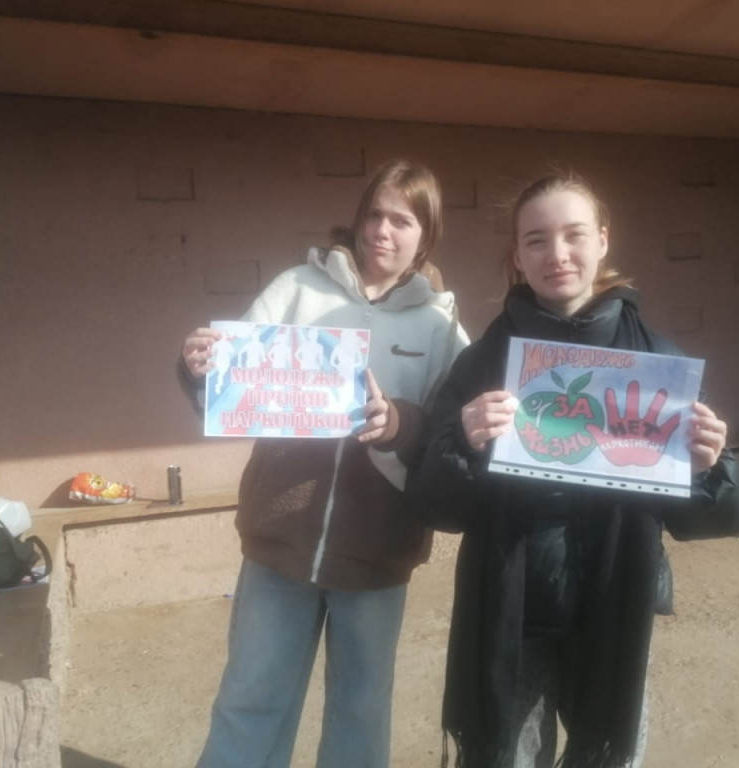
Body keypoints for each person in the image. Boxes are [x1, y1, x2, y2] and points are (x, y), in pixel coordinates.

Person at [406, 172, 739, 768]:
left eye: (574, 235)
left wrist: (707, 468)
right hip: (510, 608)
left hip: (616, 602)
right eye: (536, 239)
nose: (557, 254)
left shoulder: (657, 363)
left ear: (603, 241)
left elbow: (713, 519)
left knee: (607, 755)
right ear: (517, 255)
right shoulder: (483, 362)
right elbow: (436, 506)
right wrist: (462, 441)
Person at [180, 158, 467, 768]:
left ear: (426, 235)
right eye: (375, 214)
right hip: (280, 540)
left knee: (361, 710)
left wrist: (400, 423)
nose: (382, 231)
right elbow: (231, 386)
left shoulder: (440, 324)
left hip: (378, 552)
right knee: (250, 697)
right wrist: (201, 368)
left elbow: (452, 430)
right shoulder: (296, 288)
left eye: (402, 221)